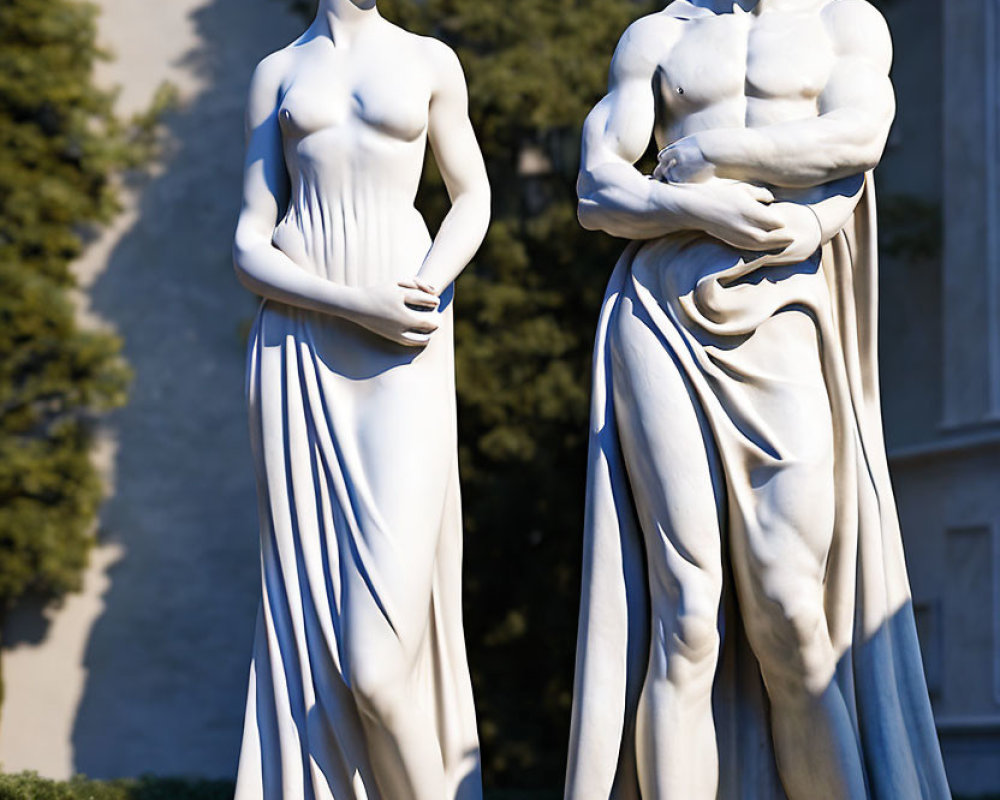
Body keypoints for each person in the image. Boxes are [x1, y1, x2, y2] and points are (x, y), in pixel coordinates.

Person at [565, 1, 950, 797]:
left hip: (786, 317)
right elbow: (598, 189)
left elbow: (857, 139)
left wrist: (710, 152)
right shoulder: (660, 35)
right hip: (662, 313)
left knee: (791, 608)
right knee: (687, 614)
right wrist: (695, 205)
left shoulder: (845, 23)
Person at [230, 1, 490, 798]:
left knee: (376, 664)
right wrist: (347, 302)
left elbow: (471, 196)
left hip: (405, 346)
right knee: (321, 644)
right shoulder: (277, 72)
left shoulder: (430, 61)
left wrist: (423, 288)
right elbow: (248, 240)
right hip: (300, 355)